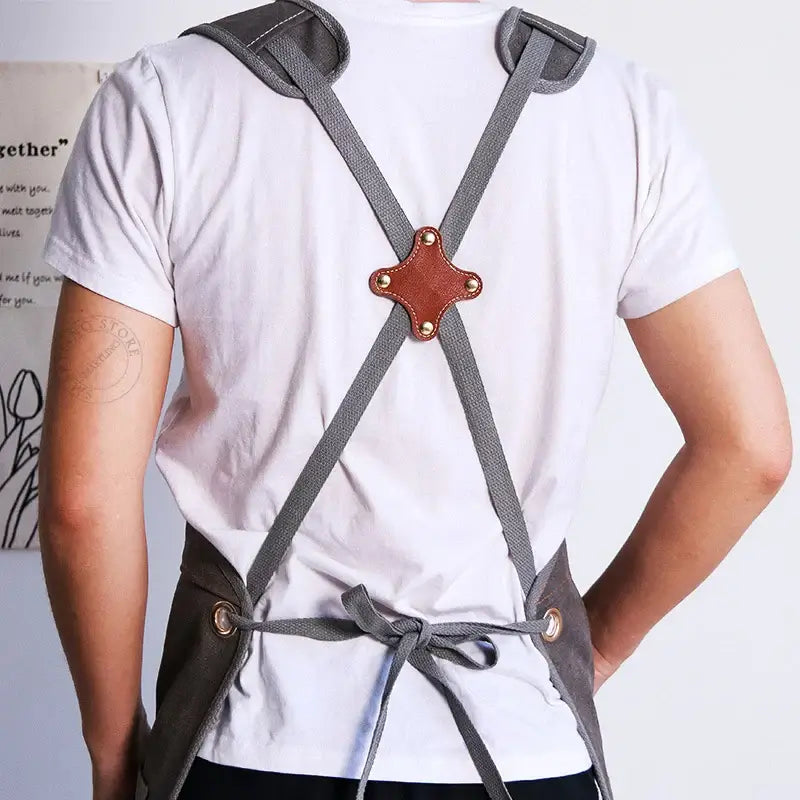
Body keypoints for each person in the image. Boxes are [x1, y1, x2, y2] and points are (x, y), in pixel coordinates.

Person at [37, 1, 791, 799]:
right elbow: (750, 448)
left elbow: (84, 504)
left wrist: (114, 756)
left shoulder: (168, 96)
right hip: (523, 751)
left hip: (256, 746)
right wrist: (589, 651)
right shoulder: (623, 110)